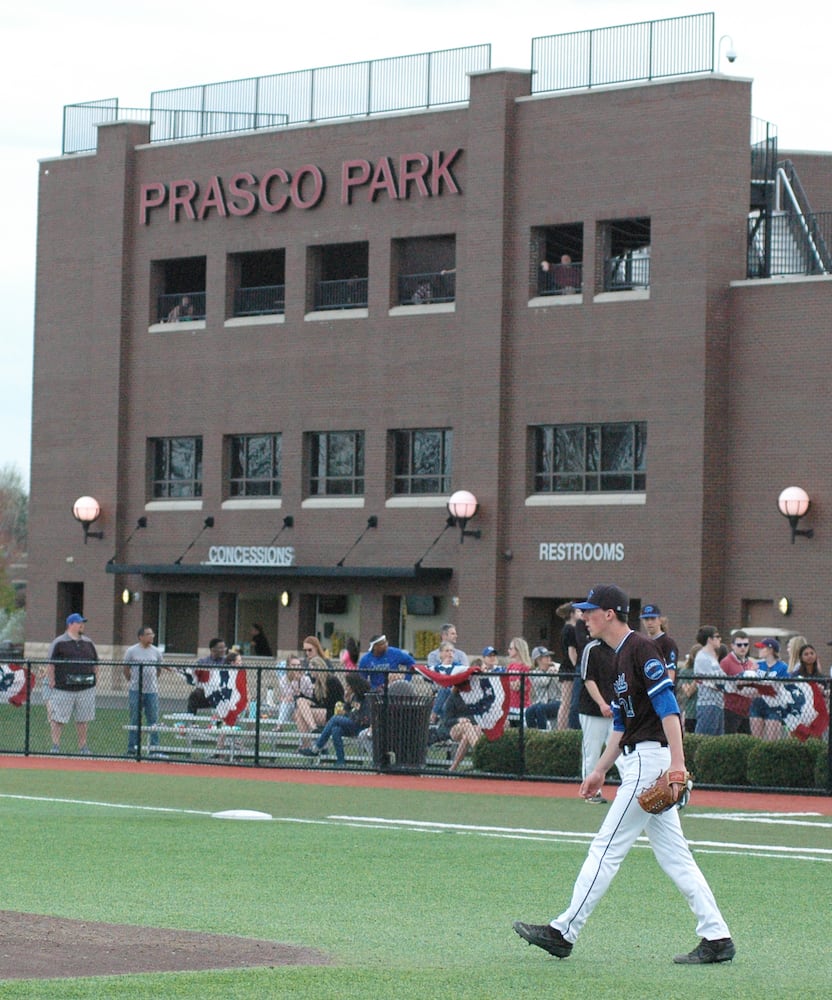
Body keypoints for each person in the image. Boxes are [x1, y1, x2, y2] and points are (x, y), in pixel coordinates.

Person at [513, 584, 735, 966]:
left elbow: (669, 708)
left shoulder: (640, 650)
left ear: (610, 613)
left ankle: (564, 931)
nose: (584, 617)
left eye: (590, 610)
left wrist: (677, 764)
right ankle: (717, 937)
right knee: (676, 857)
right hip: (636, 758)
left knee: (606, 848)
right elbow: (622, 721)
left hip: (651, 762)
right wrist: (600, 768)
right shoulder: (615, 657)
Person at [46, 613, 99, 754]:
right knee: (58, 718)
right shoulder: (59, 642)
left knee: (83, 719)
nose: (82, 625)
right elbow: (51, 664)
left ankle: (83, 746)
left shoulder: (88, 642)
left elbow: (96, 663)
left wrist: (95, 679)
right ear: (70, 624)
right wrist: (51, 680)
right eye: (79, 623)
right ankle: (55, 746)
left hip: (85, 687)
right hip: (63, 687)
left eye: (82, 623)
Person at [299, 673, 372, 764]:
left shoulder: (365, 697)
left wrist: (350, 716)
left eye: (348, 685)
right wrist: (346, 701)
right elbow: (347, 712)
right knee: (335, 730)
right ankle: (340, 761)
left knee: (335, 719)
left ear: (354, 685)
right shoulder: (354, 696)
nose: (346, 687)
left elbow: (365, 718)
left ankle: (316, 748)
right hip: (352, 725)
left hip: (361, 727)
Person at [577, 636, 616, 804]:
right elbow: (588, 679)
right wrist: (601, 703)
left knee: (622, 752)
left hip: (616, 711)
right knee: (592, 752)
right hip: (592, 710)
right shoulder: (592, 648)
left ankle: (633, 791)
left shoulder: (621, 647)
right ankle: (591, 792)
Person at [123, 626, 165, 756]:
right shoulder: (132, 651)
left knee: (153, 719)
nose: (152, 636)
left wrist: (154, 680)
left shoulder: (156, 651)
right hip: (136, 690)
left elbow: (159, 668)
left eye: (152, 634)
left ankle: (154, 748)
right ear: (140, 637)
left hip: (151, 691)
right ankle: (132, 748)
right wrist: (131, 679)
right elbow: (126, 668)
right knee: (135, 718)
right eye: (148, 634)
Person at [294, 656, 344, 747]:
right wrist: (300, 694)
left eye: (312, 669)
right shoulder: (318, 682)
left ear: (319, 668)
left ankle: (307, 744)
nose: (310, 672)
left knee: (299, 713)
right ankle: (311, 735)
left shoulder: (331, 680)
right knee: (300, 703)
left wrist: (316, 704)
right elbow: (315, 700)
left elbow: (334, 703)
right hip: (322, 709)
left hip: (333, 713)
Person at [748, 638, 789, 740]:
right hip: (758, 702)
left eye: (762, 648)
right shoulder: (758, 665)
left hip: (773, 704)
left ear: (770, 650)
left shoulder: (782, 667)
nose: (759, 650)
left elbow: (785, 687)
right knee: (755, 740)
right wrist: (753, 672)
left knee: (772, 741)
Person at [719, 631, 753, 734]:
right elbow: (720, 683)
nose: (743, 647)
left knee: (747, 740)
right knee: (730, 739)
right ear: (732, 646)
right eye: (739, 645)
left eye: (746, 645)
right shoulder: (726, 662)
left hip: (747, 709)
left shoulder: (749, 663)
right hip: (731, 709)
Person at [693, 626, 725, 735]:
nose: (720, 639)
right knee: (705, 739)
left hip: (718, 703)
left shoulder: (712, 657)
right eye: (717, 636)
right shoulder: (702, 658)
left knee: (717, 742)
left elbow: (722, 677)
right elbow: (713, 681)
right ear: (709, 639)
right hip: (708, 704)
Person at [186, 638, 227, 714]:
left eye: (224, 647)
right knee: (194, 695)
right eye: (220, 648)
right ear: (212, 649)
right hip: (206, 691)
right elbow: (193, 674)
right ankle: (190, 721)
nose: (223, 650)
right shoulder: (203, 662)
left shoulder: (227, 662)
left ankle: (221, 723)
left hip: (222, 692)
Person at [556, 603, 580, 730]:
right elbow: (572, 651)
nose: (581, 613)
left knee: (567, 701)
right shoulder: (569, 629)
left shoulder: (570, 628)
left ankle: (564, 727)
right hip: (568, 669)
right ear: (571, 614)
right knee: (566, 701)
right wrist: (577, 667)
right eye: (578, 611)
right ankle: (562, 729)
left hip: (567, 668)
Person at [640, 604, 679, 682]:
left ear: (660, 620)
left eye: (653, 618)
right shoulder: (642, 643)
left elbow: (671, 672)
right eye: (646, 619)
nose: (649, 622)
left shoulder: (668, 643)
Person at [525, 646, 561, 730]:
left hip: (558, 701)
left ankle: (543, 735)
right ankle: (533, 734)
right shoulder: (533, 673)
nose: (549, 659)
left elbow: (562, 688)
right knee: (529, 711)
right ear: (538, 660)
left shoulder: (557, 668)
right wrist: (549, 672)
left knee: (540, 709)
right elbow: (543, 682)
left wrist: (556, 675)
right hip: (542, 701)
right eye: (546, 656)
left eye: (549, 656)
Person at [506, 637, 533, 723]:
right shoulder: (510, 666)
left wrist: (509, 684)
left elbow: (517, 687)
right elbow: (505, 684)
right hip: (510, 705)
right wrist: (511, 684)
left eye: (511, 648)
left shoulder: (525, 668)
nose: (508, 650)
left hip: (522, 706)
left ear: (518, 650)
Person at [676, 645, 700, 733]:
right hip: (691, 712)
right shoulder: (685, 672)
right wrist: (698, 678)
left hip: (704, 712)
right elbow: (688, 692)